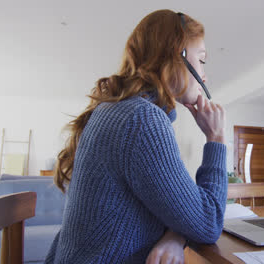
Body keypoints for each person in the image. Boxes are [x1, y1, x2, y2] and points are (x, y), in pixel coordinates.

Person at [45, 9, 227, 264]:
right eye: (202, 60)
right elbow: (209, 222)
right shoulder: (142, 121)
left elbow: (174, 206)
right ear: (177, 56)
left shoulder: (120, 111)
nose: (204, 75)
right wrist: (216, 138)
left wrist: (175, 234)